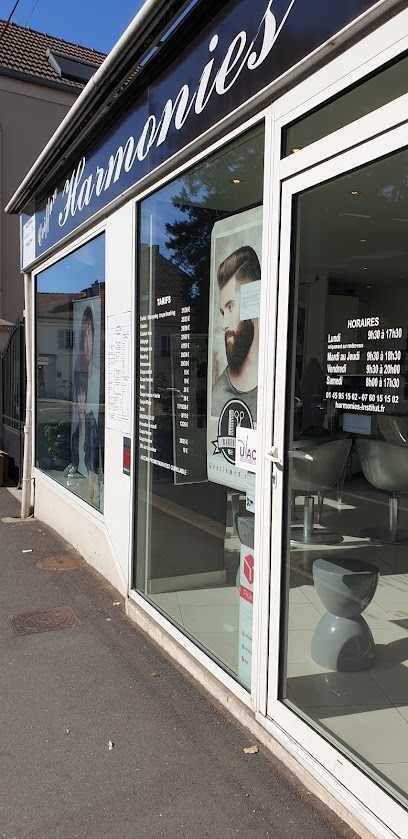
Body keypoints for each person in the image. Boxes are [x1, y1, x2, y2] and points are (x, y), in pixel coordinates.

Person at [211, 245, 260, 422]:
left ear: (253, 302)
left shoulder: (278, 384)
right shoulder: (217, 398)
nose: (224, 325)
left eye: (231, 307)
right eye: (223, 312)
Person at [71, 354, 99, 477]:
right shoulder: (76, 433)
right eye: (79, 394)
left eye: (84, 395)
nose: (81, 401)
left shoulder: (92, 427)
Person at [79, 305, 99, 421]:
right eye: (84, 336)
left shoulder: (99, 377)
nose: (86, 342)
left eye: (89, 333)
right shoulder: (81, 377)